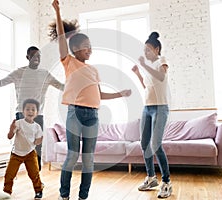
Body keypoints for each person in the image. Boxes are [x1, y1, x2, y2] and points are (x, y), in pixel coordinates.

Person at [50, 1, 132, 200]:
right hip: (75, 113)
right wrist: (58, 11)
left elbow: (99, 94)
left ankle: (83, 196)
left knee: (88, 159)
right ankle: (64, 195)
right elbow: (62, 38)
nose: (90, 50)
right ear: (76, 49)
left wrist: (120, 94)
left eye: (91, 47)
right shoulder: (69, 62)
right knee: (71, 156)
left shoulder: (94, 70)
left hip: (93, 116)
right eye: (86, 47)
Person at [0, 46, 64, 171]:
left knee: (37, 146)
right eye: (33, 55)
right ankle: (13, 171)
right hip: (21, 114)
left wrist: (76, 85)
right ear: (27, 57)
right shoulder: (18, 73)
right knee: (19, 144)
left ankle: (36, 175)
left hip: (38, 116)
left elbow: (61, 86)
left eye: (38, 56)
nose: (36, 58)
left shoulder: (45, 74)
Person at [131, 32, 172, 198]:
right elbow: (147, 87)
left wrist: (144, 66)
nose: (145, 53)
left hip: (160, 107)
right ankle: (151, 177)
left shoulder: (161, 61)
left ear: (156, 49)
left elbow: (161, 77)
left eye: (148, 50)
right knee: (144, 143)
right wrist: (138, 73)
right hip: (147, 108)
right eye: (144, 50)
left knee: (156, 145)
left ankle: (167, 182)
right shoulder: (148, 68)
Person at [3, 98, 44, 199]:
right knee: (9, 175)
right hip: (16, 153)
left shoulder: (37, 127)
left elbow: (37, 141)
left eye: (33, 109)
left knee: (34, 174)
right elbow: (9, 137)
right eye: (28, 109)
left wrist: (40, 140)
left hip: (30, 154)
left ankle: (38, 190)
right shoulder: (19, 123)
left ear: (36, 113)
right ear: (23, 111)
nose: (30, 111)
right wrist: (11, 130)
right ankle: (6, 192)